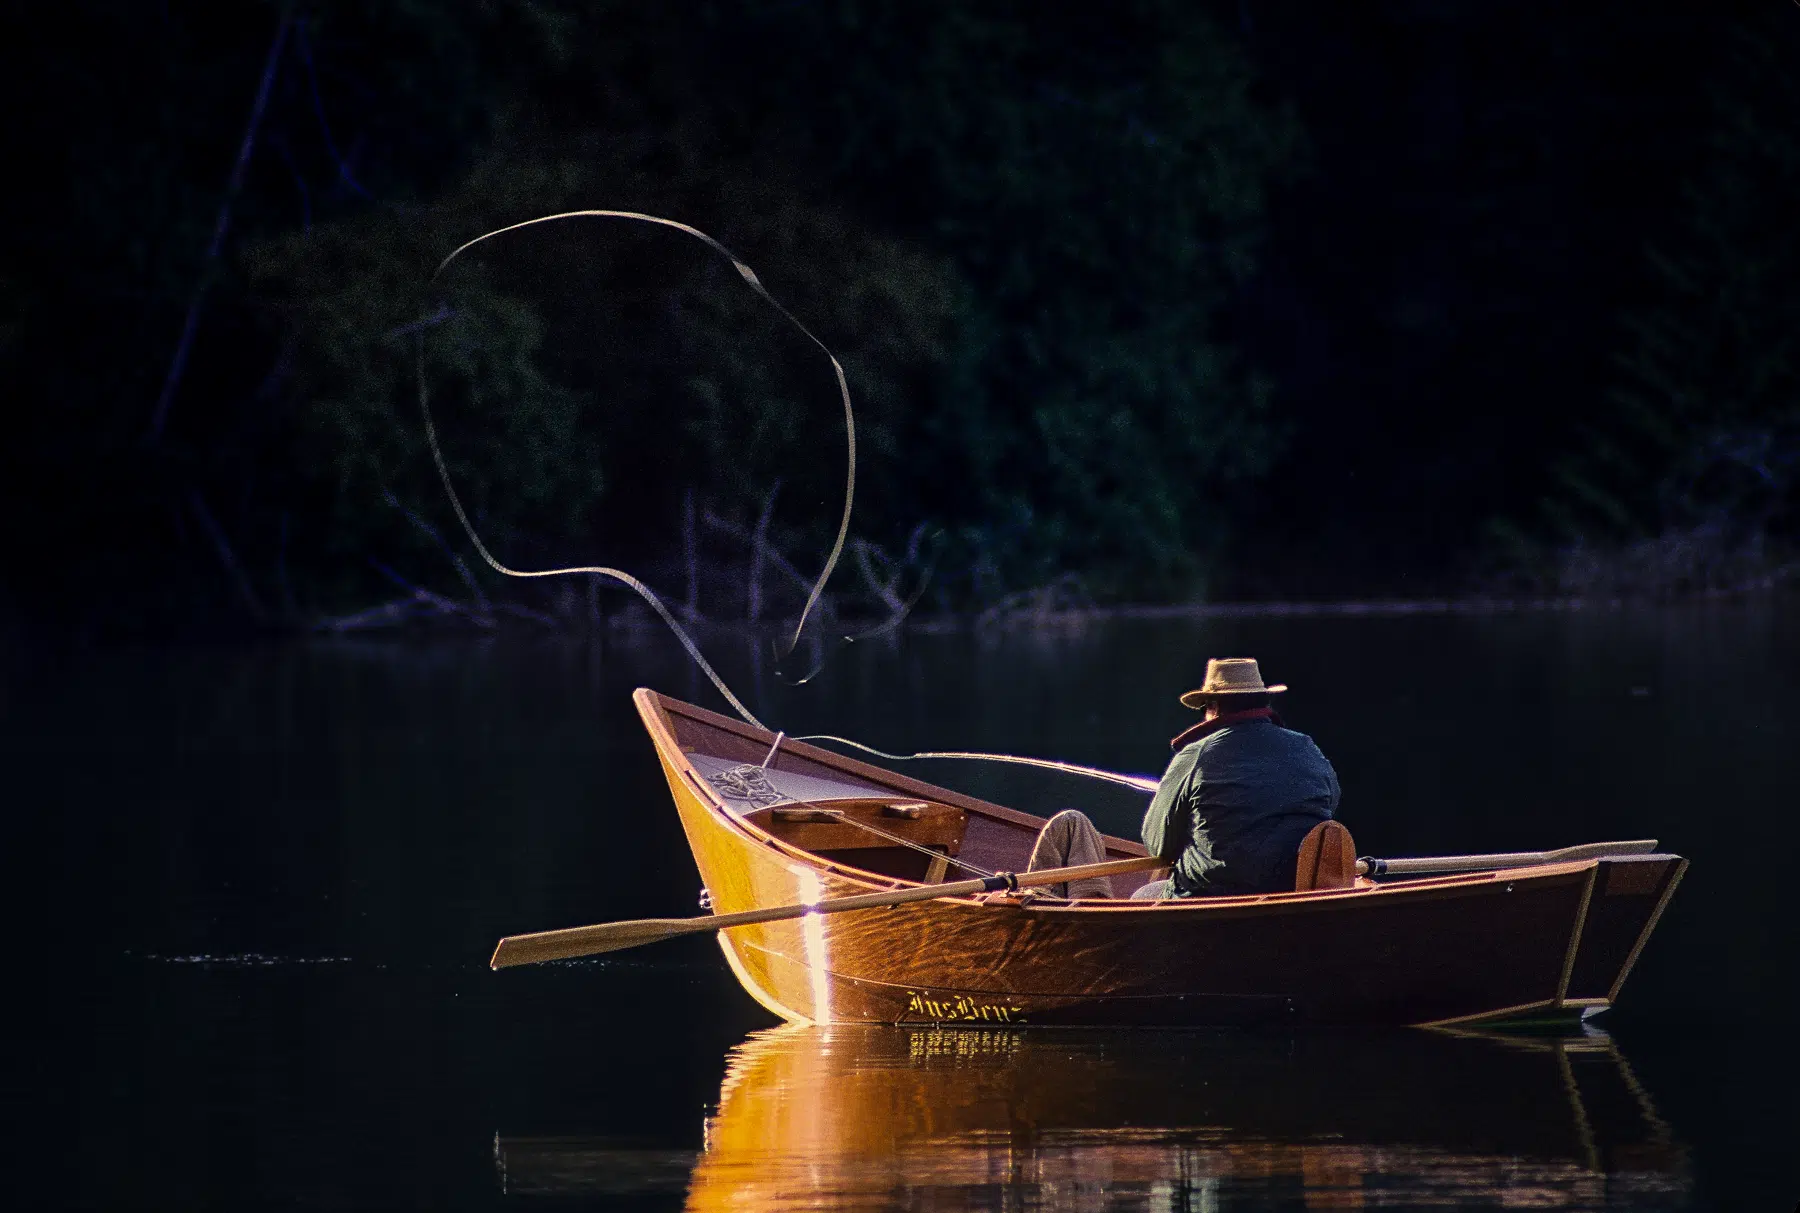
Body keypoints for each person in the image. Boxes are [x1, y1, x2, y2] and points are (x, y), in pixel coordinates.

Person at [1023, 657, 1340, 899]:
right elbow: (1329, 803)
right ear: (1263, 702)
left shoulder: (1196, 755)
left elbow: (1157, 843)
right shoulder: (1307, 747)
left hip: (1207, 901)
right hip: (1285, 895)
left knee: (1142, 895)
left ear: (1212, 708)